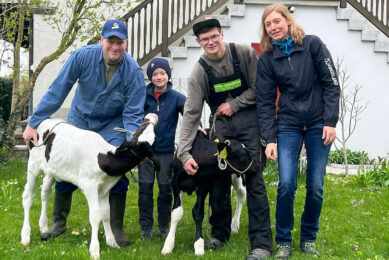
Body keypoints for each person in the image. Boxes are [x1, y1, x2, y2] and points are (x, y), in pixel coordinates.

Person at [23, 19, 146, 247]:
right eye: (110, 41)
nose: (115, 46)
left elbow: (132, 115)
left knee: (114, 168)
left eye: (120, 42)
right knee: (67, 167)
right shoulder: (82, 57)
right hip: (79, 120)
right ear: (102, 40)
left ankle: (116, 229)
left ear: (126, 43)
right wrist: (34, 122)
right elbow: (58, 89)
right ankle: (59, 223)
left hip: (111, 125)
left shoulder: (134, 73)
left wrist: (130, 148)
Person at [177, 15, 273, 260]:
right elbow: (191, 112)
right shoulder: (199, 71)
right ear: (198, 42)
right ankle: (219, 234)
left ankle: (261, 244)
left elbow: (261, 88)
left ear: (221, 34)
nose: (210, 42)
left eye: (213, 36)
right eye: (204, 39)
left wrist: (235, 104)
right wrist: (184, 152)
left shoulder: (243, 54)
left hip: (250, 127)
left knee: (254, 180)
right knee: (218, 180)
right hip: (221, 130)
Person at [256, 3, 340, 259]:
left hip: (318, 123)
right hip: (288, 124)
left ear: (287, 21)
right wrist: (269, 139)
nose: (273, 27)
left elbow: (331, 84)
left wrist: (330, 121)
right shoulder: (268, 58)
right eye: (268, 24)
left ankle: (308, 237)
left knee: (315, 186)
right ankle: (283, 240)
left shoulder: (313, 45)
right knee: (287, 184)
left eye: (276, 21)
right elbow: (265, 101)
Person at [138, 57, 186, 239]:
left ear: (168, 75)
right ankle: (146, 227)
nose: (159, 77)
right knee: (145, 189)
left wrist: (196, 125)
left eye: (162, 73)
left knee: (165, 189)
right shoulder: (142, 96)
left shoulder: (176, 98)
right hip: (145, 152)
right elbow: (132, 114)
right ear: (150, 77)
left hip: (166, 151)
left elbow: (190, 113)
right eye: (155, 74)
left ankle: (163, 226)